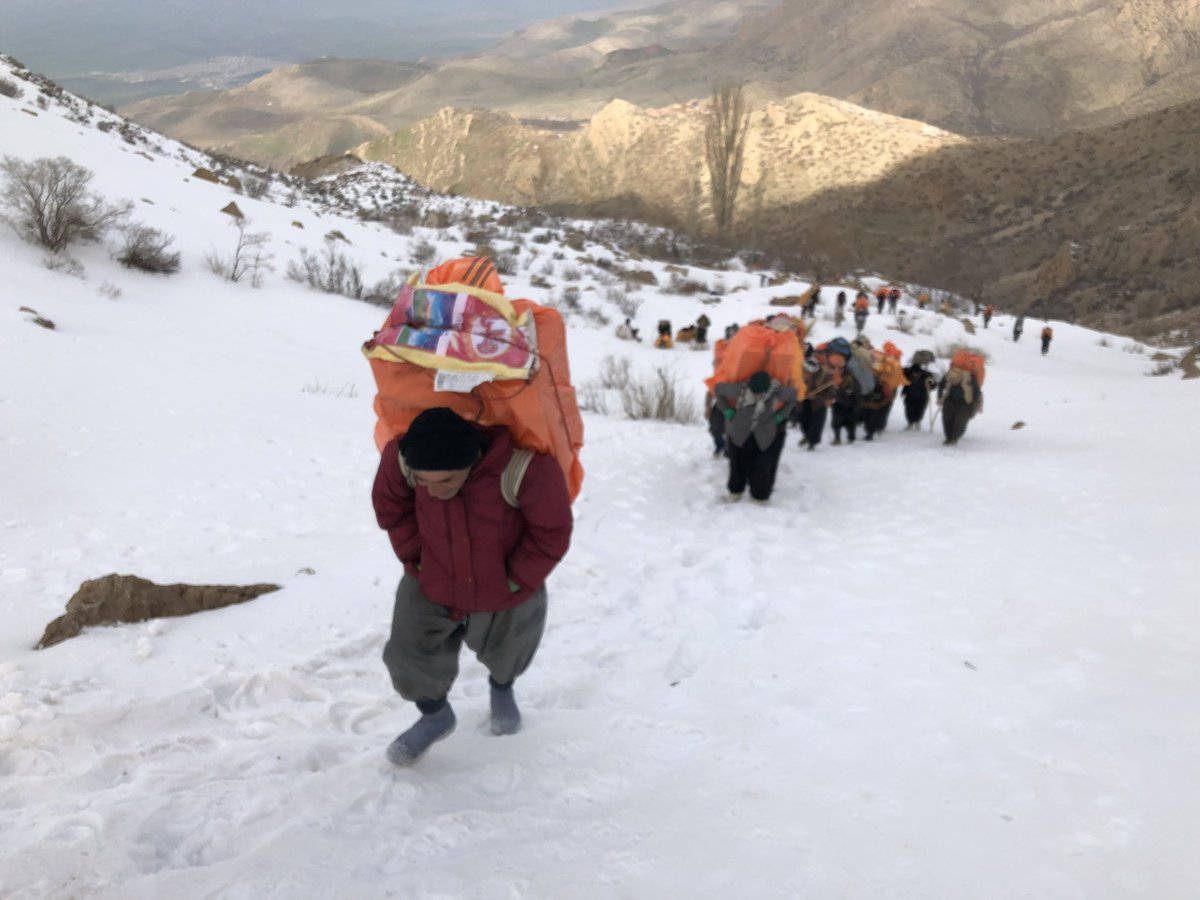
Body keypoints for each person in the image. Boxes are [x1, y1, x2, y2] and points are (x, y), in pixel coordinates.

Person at [372, 407, 573, 766]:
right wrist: (416, 557)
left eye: (447, 480)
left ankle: (502, 688)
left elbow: (551, 532)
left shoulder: (525, 470)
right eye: (423, 481)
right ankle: (435, 716)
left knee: (510, 647)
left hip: (504, 583)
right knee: (408, 655)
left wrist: (515, 581)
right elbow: (391, 508)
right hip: (431, 575)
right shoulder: (400, 459)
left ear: (474, 460)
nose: (435, 492)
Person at [714, 370, 797, 502]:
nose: (758, 396)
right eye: (755, 392)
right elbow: (718, 390)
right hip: (740, 433)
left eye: (762, 393)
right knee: (737, 464)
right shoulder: (740, 390)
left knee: (762, 467)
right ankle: (736, 491)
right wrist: (727, 410)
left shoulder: (776, 391)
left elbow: (793, 397)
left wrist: (781, 415)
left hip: (764, 435)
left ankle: (759, 496)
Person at [937, 366, 983, 445]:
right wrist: (940, 397)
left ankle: (954, 438)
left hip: (966, 403)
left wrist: (974, 404)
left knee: (960, 421)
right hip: (950, 400)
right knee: (947, 419)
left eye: (954, 381)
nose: (953, 382)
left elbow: (977, 392)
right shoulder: (948, 376)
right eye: (951, 380)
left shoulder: (970, 378)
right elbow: (941, 386)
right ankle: (949, 437)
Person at [901, 353, 937, 430]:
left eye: (917, 373)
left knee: (920, 410)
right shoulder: (907, 374)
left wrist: (931, 384)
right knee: (909, 410)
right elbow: (903, 380)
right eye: (914, 373)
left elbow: (933, 384)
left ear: (920, 372)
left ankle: (917, 421)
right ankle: (910, 423)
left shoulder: (926, 375)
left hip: (922, 397)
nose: (915, 375)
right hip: (909, 396)